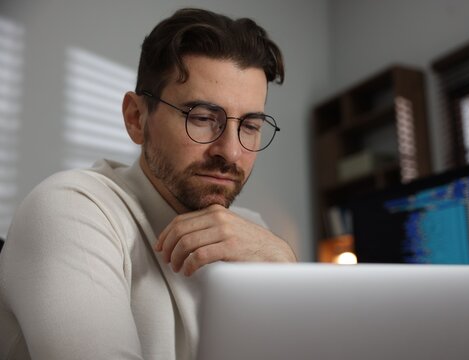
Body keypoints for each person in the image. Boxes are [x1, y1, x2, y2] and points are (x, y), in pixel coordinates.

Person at [0, 8, 296, 360]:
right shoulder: (68, 210)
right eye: (202, 118)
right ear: (137, 118)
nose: (231, 152)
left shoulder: (253, 236)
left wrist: (287, 268)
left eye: (249, 126)